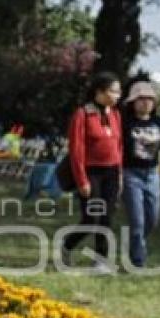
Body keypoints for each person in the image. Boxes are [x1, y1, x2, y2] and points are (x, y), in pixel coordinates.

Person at [62, 72, 123, 273]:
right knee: (92, 218)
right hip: (91, 172)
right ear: (100, 92)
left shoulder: (115, 114)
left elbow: (118, 146)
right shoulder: (83, 114)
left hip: (111, 172)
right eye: (114, 91)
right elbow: (76, 149)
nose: (118, 96)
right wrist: (82, 180)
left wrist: (120, 174)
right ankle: (68, 244)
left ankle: (101, 259)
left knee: (106, 217)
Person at [121, 82, 160, 268]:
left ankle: (136, 242)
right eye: (141, 99)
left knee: (153, 217)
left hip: (152, 173)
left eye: (150, 99)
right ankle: (138, 260)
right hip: (131, 173)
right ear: (133, 102)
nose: (146, 102)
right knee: (137, 219)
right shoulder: (126, 123)